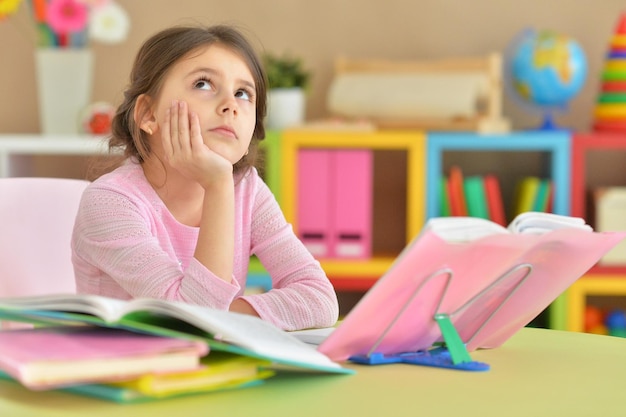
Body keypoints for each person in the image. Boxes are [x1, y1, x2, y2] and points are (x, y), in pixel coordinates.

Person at [71, 25, 339, 331]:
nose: (231, 105)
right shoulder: (110, 202)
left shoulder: (246, 189)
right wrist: (218, 185)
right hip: (121, 371)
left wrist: (223, 314)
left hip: (210, 370)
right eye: (203, 84)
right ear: (148, 114)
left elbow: (321, 299)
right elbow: (191, 322)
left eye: (243, 93)